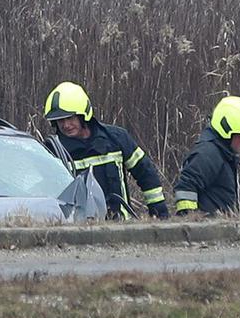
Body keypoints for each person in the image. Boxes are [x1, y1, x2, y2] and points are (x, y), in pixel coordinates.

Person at [43, 81, 170, 219]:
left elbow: (145, 173)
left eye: (70, 118)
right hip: (79, 230)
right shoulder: (52, 151)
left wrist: (158, 210)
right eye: (60, 120)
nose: (66, 125)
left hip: (122, 227)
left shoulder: (117, 138)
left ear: (83, 114)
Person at [174, 95, 240, 216]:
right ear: (227, 130)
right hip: (206, 232)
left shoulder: (222, 153)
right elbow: (186, 187)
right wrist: (191, 220)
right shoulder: (208, 153)